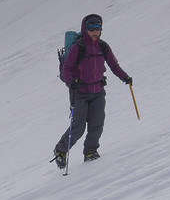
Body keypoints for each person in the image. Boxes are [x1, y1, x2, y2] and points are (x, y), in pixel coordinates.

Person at [55, 13, 133, 168]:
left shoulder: (103, 46)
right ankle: (60, 151)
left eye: (97, 28)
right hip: (80, 93)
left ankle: (90, 151)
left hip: (98, 90)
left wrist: (125, 77)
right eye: (91, 28)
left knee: (97, 124)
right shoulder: (78, 47)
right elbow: (67, 69)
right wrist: (71, 83)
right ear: (85, 29)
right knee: (78, 127)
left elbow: (113, 65)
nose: (94, 32)